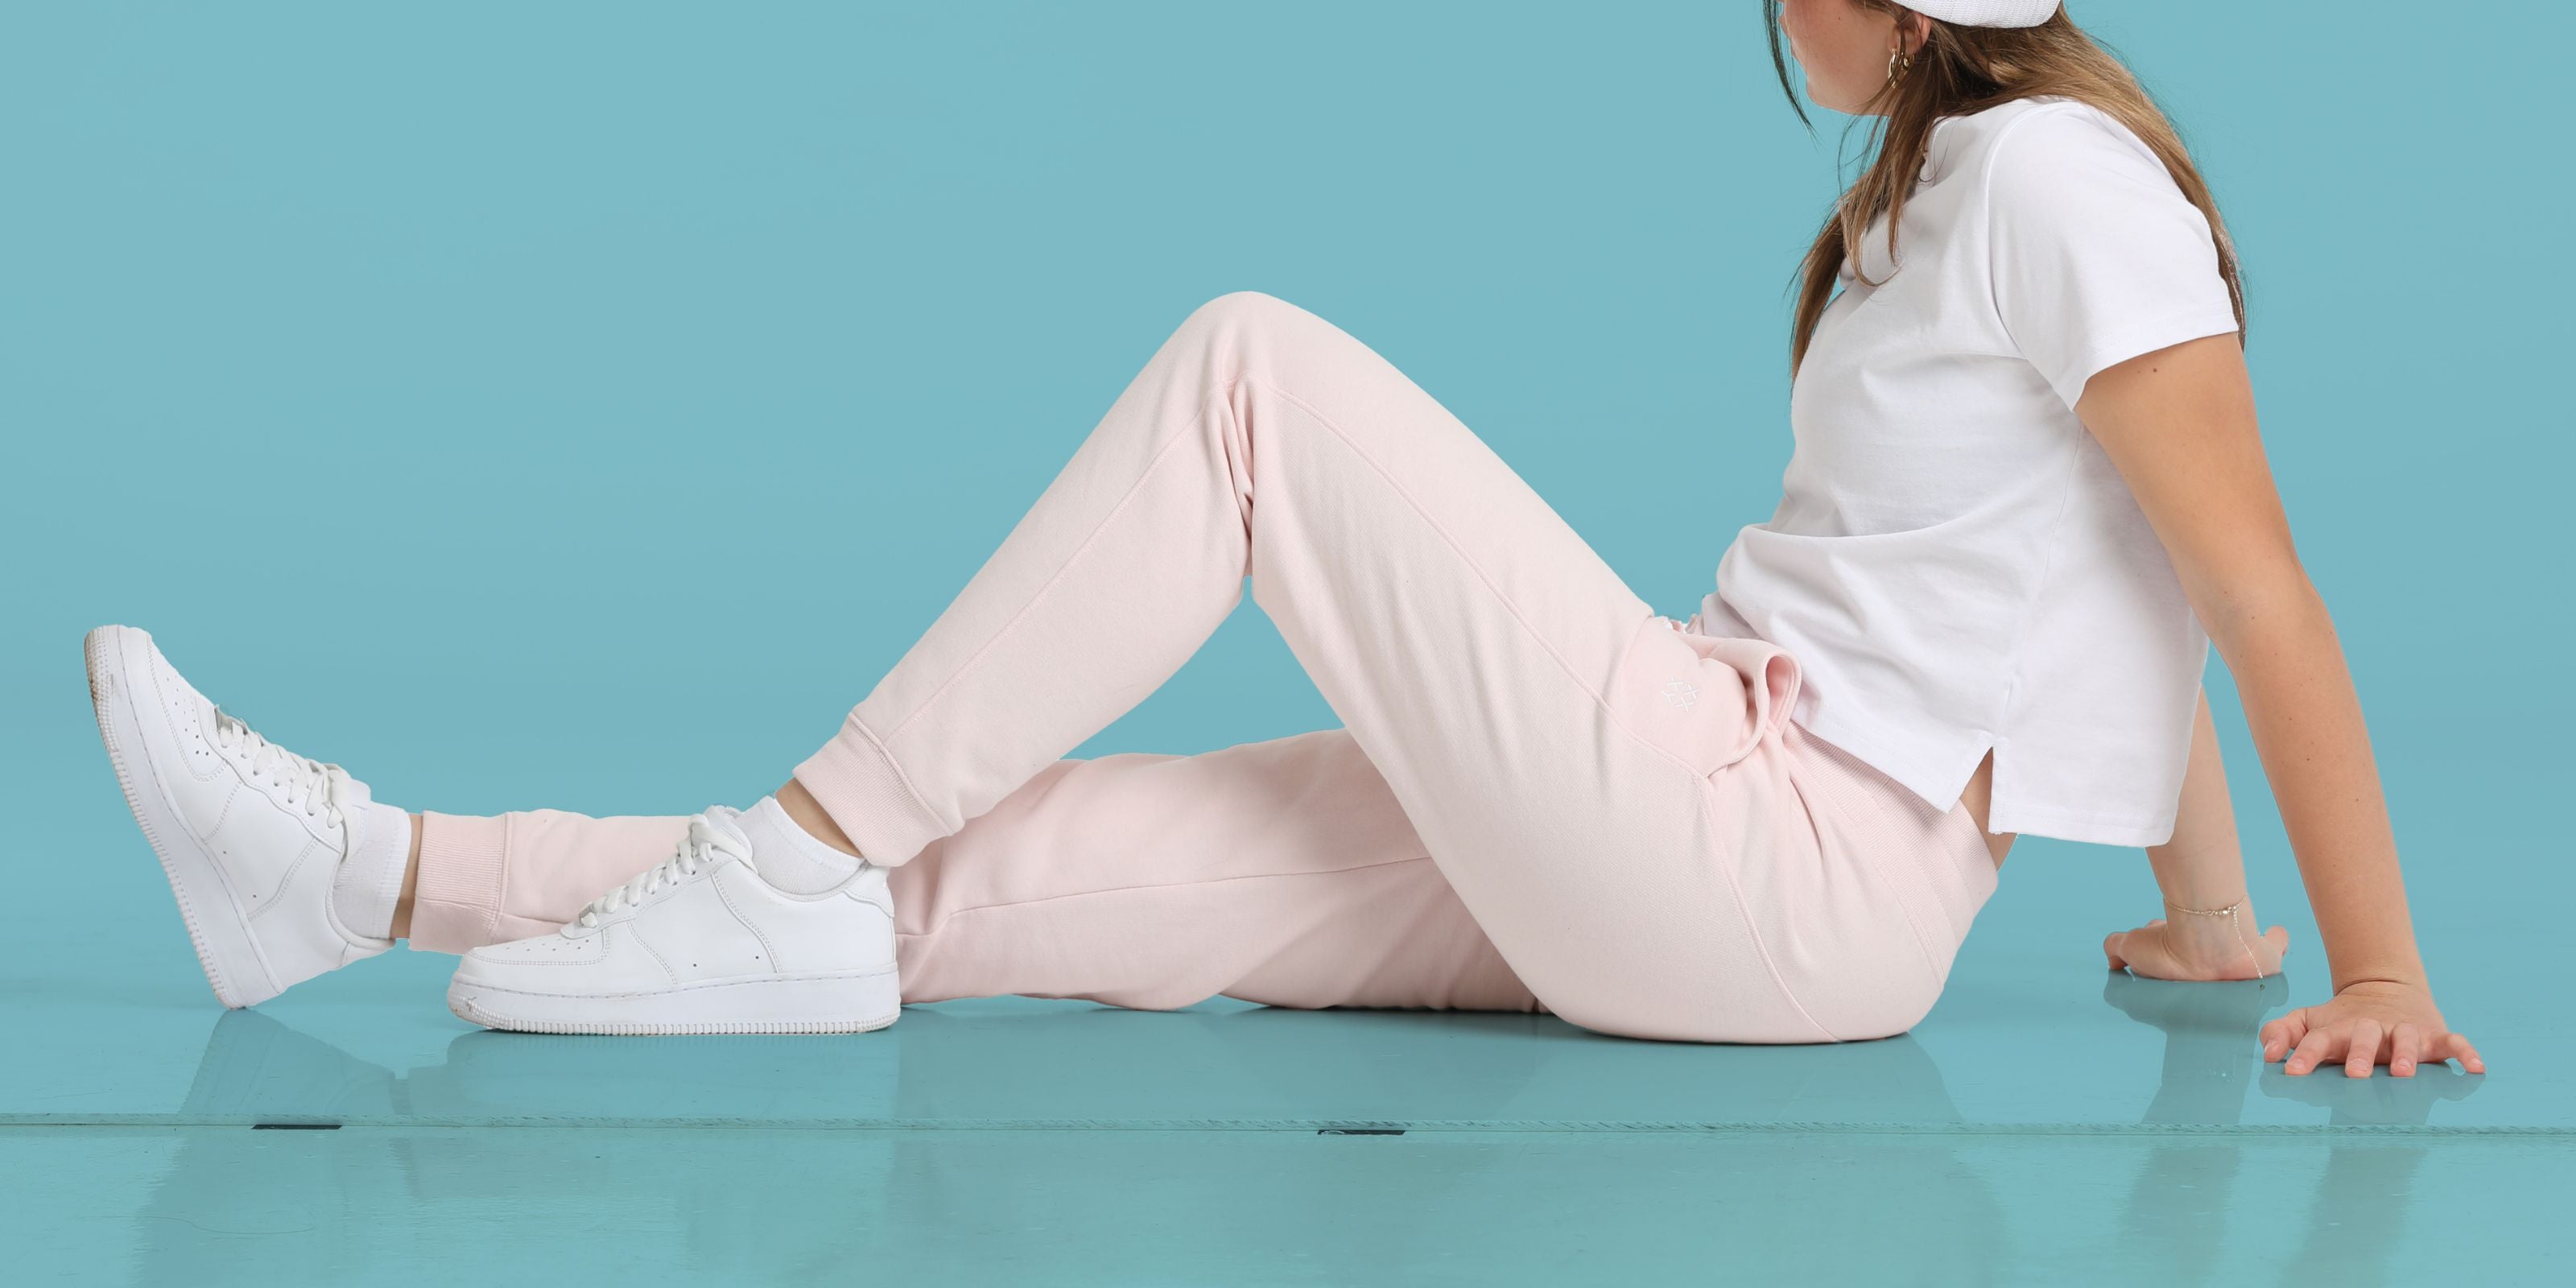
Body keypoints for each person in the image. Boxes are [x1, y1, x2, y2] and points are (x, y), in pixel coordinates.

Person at [81, 0, 2481, 1077]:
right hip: (1693, 826)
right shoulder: (1954, 189)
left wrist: (2364, 970)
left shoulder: (2056, 182)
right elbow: (2109, 556)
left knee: (1251, 376)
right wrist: (2209, 916)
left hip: (1778, 867)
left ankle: (792, 845)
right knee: (987, 883)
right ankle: (362, 878)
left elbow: (2247, 577)